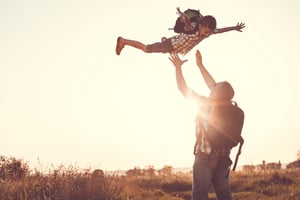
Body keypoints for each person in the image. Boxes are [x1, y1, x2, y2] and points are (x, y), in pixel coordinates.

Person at [169, 50, 237, 200]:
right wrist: (200, 65)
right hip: (224, 158)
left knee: (200, 195)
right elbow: (213, 85)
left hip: (205, 157)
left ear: (216, 93)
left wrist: (178, 68)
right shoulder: (231, 108)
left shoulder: (206, 104)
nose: (212, 88)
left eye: (215, 88)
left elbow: (183, 89)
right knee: (225, 195)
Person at [116, 7, 245, 56]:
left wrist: (234, 27)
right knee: (146, 49)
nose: (207, 34)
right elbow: (188, 24)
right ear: (201, 25)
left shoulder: (209, 32)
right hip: (171, 45)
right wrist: (184, 17)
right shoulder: (193, 27)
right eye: (206, 31)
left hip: (175, 47)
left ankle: (165, 41)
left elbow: (220, 30)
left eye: (209, 32)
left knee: (167, 49)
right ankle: (123, 41)